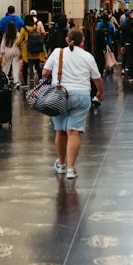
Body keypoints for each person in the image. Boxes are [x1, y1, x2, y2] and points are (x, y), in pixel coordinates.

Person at [42, 27, 103, 179]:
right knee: (73, 132)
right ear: (83, 41)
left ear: (67, 40)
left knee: (60, 131)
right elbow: (97, 78)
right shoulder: (87, 56)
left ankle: (61, 164)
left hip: (59, 95)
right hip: (81, 95)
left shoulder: (57, 52)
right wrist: (100, 92)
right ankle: (70, 169)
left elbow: (45, 73)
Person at [21, 12, 48, 84]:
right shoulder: (36, 27)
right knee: (37, 66)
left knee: (25, 66)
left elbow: (19, 40)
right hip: (36, 50)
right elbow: (41, 34)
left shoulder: (24, 29)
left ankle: (25, 82)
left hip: (27, 51)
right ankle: (41, 79)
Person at [0, 23, 23, 92]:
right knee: (16, 67)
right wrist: (21, 52)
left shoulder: (5, 35)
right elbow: (21, 44)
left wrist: (1, 54)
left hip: (7, 52)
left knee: (6, 67)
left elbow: (2, 45)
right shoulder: (18, 34)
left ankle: (4, 79)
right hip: (16, 52)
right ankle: (16, 81)